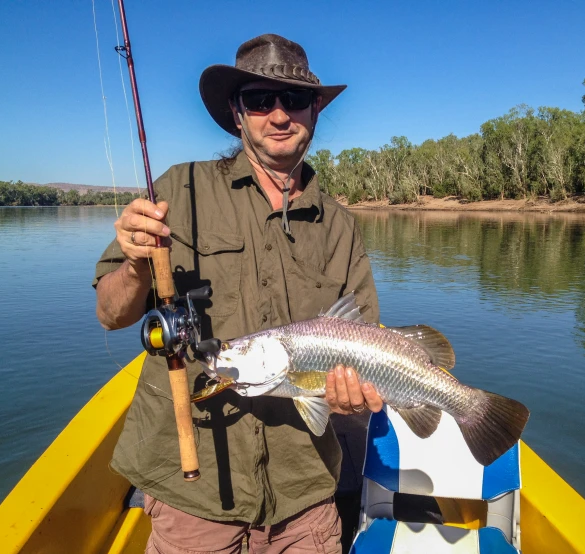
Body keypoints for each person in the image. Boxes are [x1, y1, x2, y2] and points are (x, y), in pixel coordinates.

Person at [94, 34, 382, 554]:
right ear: (236, 111)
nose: (278, 115)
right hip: (194, 494)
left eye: (293, 100)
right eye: (259, 99)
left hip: (306, 497)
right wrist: (136, 264)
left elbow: (363, 339)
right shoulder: (180, 191)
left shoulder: (341, 226)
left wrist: (352, 400)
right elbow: (110, 314)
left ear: (314, 110)